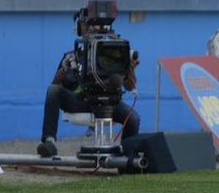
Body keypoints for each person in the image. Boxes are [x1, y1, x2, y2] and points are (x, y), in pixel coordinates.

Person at [37, 9, 141, 158]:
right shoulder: (71, 56)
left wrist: (130, 70)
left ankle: (127, 158)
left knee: (133, 119)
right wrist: (60, 76)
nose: (92, 28)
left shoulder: (112, 53)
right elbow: (55, 88)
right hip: (81, 100)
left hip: (109, 102)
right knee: (53, 90)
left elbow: (129, 87)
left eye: (95, 25)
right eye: (87, 24)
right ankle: (49, 141)